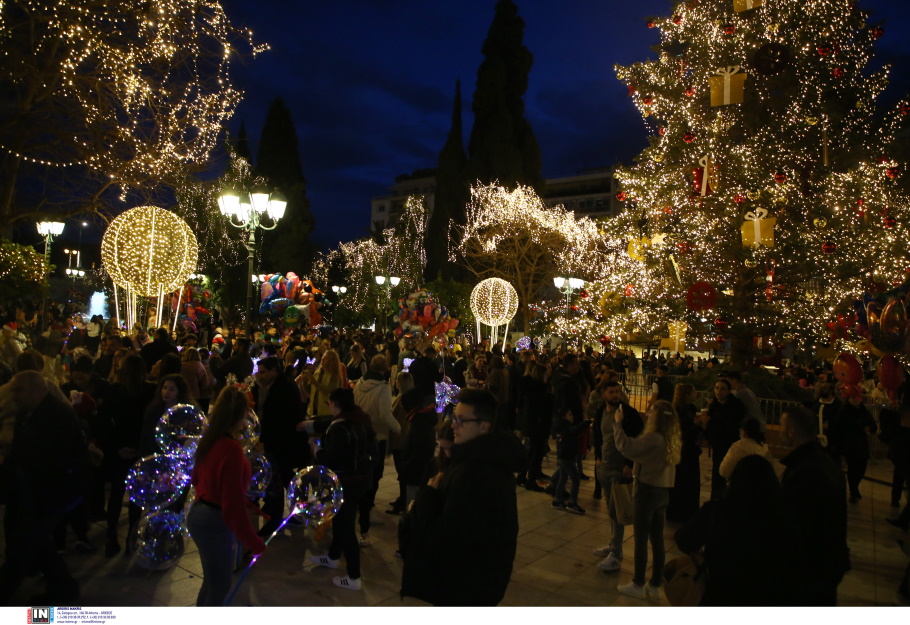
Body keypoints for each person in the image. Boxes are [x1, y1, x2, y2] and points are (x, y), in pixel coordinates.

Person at [400, 389, 526, 606]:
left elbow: (448, 541)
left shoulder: (476, 474)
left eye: (461, 420)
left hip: (466, 586)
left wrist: (428, 497)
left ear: (484, 426)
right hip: (477, 581)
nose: (453, 425)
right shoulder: (483, 460)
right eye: (453, 417)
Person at [0, 371, 85, 605]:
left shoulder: (58, 415)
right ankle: (65, 588)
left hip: (50, 493)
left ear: (38, 390)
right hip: (32, 492)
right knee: (39, 544)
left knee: (21, 548)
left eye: (20, 390)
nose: (14, 395)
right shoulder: (26, 413)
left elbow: (56, 459)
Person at [675, 455, 796, 606]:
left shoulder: (717, 510)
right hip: (764, 596)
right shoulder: (782, 517)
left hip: (720, 593)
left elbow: (683, 539)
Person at [187, 386, 266, 606]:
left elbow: (196, 479)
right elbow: (232, 507)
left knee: (211, 581)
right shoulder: (231, 449)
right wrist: (255, 542)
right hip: (215, 520)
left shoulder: (210, 439)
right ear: (241, 414)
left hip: (199, 514)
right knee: (220, 584)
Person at [778, 406, 850, 605]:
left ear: (791, 431)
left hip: (811, 569)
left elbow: (795, 524)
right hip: (828, 565)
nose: (779, 430)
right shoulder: (824, 462)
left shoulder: (804, 471)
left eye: (782, 426)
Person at [308, 388, 376, 591]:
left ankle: (354, 576)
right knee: (339, 521)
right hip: (360, 478)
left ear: (335, 403)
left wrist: (316, 448)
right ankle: (333, 557)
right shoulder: (359, 419)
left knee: (345, 527)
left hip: (346, 482)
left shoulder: (340, 427)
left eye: (330, 402)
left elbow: (330, 460)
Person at [613, 399, 680, 600]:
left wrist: (617, 424)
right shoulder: (670, 438)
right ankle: (656, 582)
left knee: (641, 538)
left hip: (647, 489)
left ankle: (638, 583)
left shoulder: (653, 438)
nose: (648, 413)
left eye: (651, 411)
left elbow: (626, 446)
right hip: (662, 491)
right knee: (657, 538)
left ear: (657, 417)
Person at [99, 354, 155, 556]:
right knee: (135, 497)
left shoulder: (114, 390)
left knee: (115, 494)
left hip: (118, 446)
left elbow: (104, 421)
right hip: (138, 446)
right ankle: (132, 537)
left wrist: (115, 447)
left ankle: (111, 537)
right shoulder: (149, 391)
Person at [592, 379, 644, 571]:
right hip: (604, 466)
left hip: (619, 468)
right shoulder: (600, 412)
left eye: (617, 392)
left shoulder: (628, 414)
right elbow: (598, 434)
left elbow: (637, 438)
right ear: (604, 394)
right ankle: (613, 543)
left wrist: (630, 463)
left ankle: (616, 552)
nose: (616, 395)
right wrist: (597, 455)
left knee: (618, 510)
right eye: (611, 392)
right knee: (611, 508)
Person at [253, 356, 306, 537]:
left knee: (278, 481)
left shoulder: (283, 387)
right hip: (280, 442)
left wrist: (266, 438)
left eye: (263, 372)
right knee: (285, 479)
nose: (260, 376)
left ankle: (275, 519)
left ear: (275, 370)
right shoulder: (276, 385)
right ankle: (294, 513)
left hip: (282, 443)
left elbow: (278, 418)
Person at [353, 354, 400, 545]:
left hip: (359, 432)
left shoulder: (360, 383)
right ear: (386, 368)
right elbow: (385, 414)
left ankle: (361, 504)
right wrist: (399, 428)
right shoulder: (383, 387)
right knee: (374, 473)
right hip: (376, 436)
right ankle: (368, 507)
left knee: (361, 470)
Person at [830, 393, 877, 503]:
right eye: (853, 398)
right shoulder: (844, 411)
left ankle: (854, 487)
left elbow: (873, 425)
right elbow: (838, 427)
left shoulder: (864, 412)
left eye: (857, 398)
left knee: (861, 468)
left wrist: (869, 428)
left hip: (861, 444)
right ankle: (853, 489)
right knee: (853, 468)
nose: (856, 400)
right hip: (850, 444)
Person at [704, 378, 746, 499]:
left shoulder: (736, 405)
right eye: (717, 388)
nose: (719, 391)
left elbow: (733, 423)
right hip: (717, 443)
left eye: (722, 389)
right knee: (717, 473)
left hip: (729, 442)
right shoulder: (714, 405)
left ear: (729, 391)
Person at [666, 382, 702, 523]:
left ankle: (683, 510)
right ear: (687, 394)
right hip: (684, 450)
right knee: (683, 481)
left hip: (688, 450)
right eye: (693, 391)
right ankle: (680, 511)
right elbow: (682, 431)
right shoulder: (679, 411)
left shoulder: (689, 409)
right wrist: (697, 426)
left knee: (686, 481)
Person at [304, 348, 343, 416]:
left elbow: (329, 391)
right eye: (323, 357)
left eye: (326, 358)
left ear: (331, 361)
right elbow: (309, 391)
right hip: (312, 410)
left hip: (326, 411)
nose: (322, 359)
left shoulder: (334, 375)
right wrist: (305, 380)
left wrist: (313, 381)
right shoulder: (318, 372)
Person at [181, 348, 213, 413]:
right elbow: (205, 384)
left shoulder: (181, 366)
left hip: (182, 394)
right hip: (195, 396)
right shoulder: (199, 366)